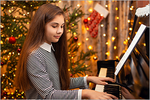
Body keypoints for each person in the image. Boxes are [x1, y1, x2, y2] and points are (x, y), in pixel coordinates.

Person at [15, 3, 118, 99]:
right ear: (41, 26)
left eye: (62, 26)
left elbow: (59, 82)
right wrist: (85, 93)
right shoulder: (35, 56)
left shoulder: (50, 48)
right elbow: (49, 95)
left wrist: (87, 79)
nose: (60, 31)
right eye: (54, 26)